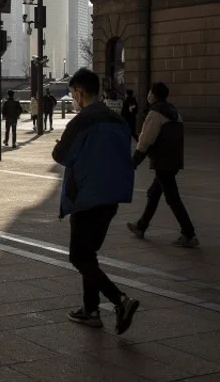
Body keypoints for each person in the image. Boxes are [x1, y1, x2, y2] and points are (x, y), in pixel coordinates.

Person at [52, 68, 139, 335]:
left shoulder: (82, 121)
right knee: (88, 255)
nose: (73, 99)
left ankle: (120, 300)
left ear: (78, 92)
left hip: (87, 197)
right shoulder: (118, 120)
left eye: (72, 94)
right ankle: (90, 311)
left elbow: (61, 156)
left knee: (79, 256)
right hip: (111, 196)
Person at [127, 82, 198, 248]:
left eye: (150, 92)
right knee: (154, 193)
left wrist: (134, 161)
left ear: (154, 94)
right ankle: (141, 226)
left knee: (173, 199)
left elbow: (145, 140)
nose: (148, 95)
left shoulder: (155, 113)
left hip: (163, 161)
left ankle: (189, 234)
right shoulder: (174, 112)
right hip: (174, 160)